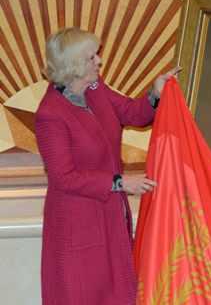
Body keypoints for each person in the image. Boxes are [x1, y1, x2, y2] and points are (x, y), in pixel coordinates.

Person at [35, 27, 177, 305]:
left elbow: (134, 113)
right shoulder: (49, 114)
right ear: (74, 66)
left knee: (119, 295)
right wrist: (119, 182)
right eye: (92, 57)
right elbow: (64, 177)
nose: (99, 61)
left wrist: (155, 93)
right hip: (77, 226)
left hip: (110, 218)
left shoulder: (96, 89)